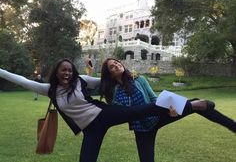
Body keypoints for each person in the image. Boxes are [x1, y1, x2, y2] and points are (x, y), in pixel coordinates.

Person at [0, 58, 187, 162]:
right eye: (63, 70)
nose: (67, 73)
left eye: (69, 70)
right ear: (56, 72)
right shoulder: (49, 90)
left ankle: (188, 104)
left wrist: (117, 71)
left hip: (103, 114)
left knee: (141, 110)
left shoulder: (81, 80)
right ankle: (185, 105)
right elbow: (22, 80)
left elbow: (106, 79)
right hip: (90, 129)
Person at [100, 58, 236, 162]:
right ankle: (195, 104)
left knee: (193, 105)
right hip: (141, 129)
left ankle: (232, 125)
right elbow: (119, 112)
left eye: (117, 63)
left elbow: (154, 99)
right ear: (109, 74)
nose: (117, 66)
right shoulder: (112, 92)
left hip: (158, 116)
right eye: (112, 66)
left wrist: (170, 109)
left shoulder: (139, 79)